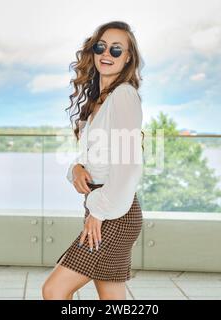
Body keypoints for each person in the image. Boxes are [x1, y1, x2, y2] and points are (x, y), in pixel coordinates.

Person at [42, 21, 145, 300]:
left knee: (53, 290)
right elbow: (96, 157)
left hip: (113, 212)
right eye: (101, 46)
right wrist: (75, 168)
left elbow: (128, 165)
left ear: (128, 58)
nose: (106, 53)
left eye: (116, 49)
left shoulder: (123, 95)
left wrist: (98, 212)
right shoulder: (100, 100)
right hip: (106, 207)